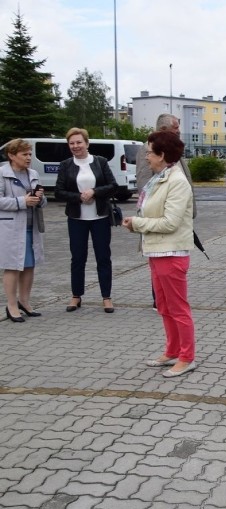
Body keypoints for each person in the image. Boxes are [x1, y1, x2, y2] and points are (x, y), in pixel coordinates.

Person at [122, 131, 197, 378]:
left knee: (178, 307)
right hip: (156, 251)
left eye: (149, 152)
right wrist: (137, 222)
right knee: (164, 306)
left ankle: (187, 357)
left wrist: (138, 223)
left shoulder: (177, 181)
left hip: (171, 252)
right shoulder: (160, 178)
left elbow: (170, 223)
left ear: (162, 155)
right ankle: (172, 350)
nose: (145, 157)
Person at [54, 127, 119, 314]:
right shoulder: (66, 165)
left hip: (100, 217)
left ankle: (106, 297)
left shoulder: (100, 162)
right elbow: (58, 192)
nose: (75, 146)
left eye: (79, 142)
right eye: (72, 143)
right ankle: (76, 295)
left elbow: (113, 186)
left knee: (103, 257)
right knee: (77, 258)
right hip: (77, 218)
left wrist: (95, 192)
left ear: (87, 143)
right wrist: (78, 197)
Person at [136, 113, 195, 310]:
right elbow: (145, 185)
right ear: (163, 131)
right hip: (157, 221)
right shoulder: (150, 151)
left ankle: (165, 299)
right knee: (166, 299)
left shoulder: (174, 154)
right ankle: (158, 298)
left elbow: (183, 180)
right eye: (175, 127)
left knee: (176, 306)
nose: (179, 131)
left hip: (174, 221)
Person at [0, 139, 46, 322]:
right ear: (11, 156)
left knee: (29, 265)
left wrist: (40, 199)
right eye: (24, 154)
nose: (28, 158)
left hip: (31, 226)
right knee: (12, 266)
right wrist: (22, 202)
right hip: (11, 227)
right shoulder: (2, 174)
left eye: (29, 154)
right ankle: (11, 305)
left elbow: (40, 200)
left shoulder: (33, 173)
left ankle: (24, 302)